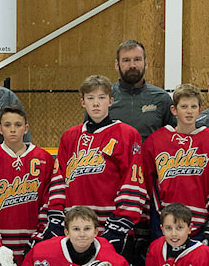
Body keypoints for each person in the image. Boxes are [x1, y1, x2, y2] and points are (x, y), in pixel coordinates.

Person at [58, 75, 146, 249]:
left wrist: (121, 223)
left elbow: (133, 181)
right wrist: (57, 218)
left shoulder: (127, 134)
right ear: (83, 102)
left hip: (112, 225)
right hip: (77, 228)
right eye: (90, 98)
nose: (96, 103)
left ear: (111, 101)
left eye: (101, 98)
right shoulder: (70, 137)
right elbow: (58, 180)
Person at [141, 84, 209, 252]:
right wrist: (144, 220)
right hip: (164, 219)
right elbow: (146, 181)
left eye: (193, 106)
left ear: (200, 110)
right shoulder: (155, 141)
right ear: (174, 110)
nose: (189, 111)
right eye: (184, 106)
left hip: (200, 222)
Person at [0, 105, 64, 265]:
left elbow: (48, 201)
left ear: (26, 128)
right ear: (0, 129)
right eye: (7, 125)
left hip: (33, 239)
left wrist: (40, 235)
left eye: (18, 125)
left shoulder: (43, 158)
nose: (13, 130)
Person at [108, 39, 173, 141]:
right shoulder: (105, 97)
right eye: (126, 60)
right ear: (117, 65)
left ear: (146, 63)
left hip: (151, 157)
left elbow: (174, 138)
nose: (132, 65)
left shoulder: (162, 98)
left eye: (137, 59)